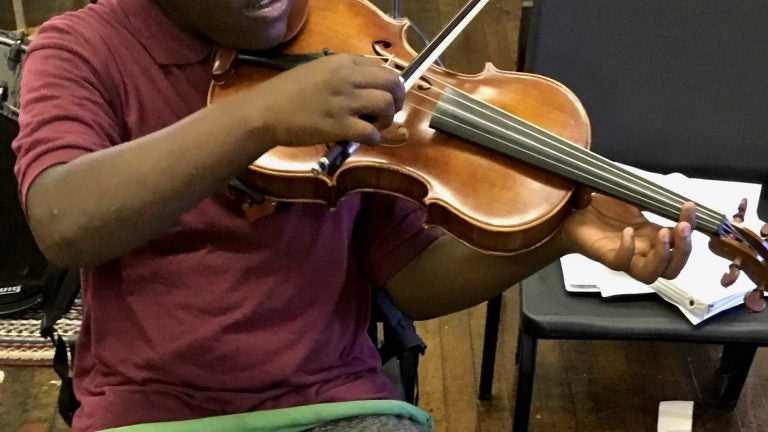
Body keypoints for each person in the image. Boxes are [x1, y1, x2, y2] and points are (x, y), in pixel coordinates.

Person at [12, 0, 695, 431]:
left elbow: (407, 279)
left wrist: (552, 235)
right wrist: (259, 116)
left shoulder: (348, 43)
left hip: (336, 400)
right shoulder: (83, 50)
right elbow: (63, 220)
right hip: (150, 410)